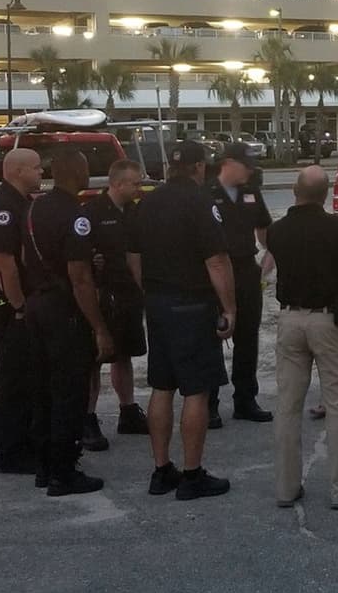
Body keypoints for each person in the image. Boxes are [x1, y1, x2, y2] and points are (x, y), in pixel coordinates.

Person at [128, 140, 237, 501]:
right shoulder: (201, 202)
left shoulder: (147, 201)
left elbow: (133, 255)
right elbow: (217, 260)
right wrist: (229, 308)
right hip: (191, 303)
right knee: (196, 389)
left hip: (157, 302)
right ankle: (192, 474)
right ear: (198, 167)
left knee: (162, 386)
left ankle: (161, 470)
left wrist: (150, 290)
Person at [266, 166, 338, 510]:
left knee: (288, 406)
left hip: (289, 319)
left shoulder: (277, 231)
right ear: (325, 195)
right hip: (327, 320)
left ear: (295, 191)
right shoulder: (336, 229)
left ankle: (285, 487)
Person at [22, 146, 112, 496]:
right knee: (69, 393)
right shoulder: (76, 214)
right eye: (87, 167)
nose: (90, 173)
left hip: (36, 305)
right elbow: (80, 278)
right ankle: (64, 471)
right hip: (64, 311)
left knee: (42, 390)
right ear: (75, 171)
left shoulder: (35, 207)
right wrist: (99, 326)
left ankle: (44, 466)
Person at [0, 147, 41, 475]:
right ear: (17, 171)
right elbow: (4, 264)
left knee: (28, 378)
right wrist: (18, 306)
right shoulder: (3, 208)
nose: (41, 172)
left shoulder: (21, 203)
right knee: (13, 380)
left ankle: (28, 443)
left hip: (22, 306)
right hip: (10, 310)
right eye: (36, 167)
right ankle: (12, 452)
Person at [207, 143, 274, 428]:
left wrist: (267, 262)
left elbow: (264, 232)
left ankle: (245, 399)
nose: (250, 169)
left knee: (248, 337)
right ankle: (208, 403)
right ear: (228, 163)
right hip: (214, 272)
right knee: (211, 337)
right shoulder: (205, 193)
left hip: (246, 269)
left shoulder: (251, 192)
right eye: (245, 163)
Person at [84, 158, 150, 438]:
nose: (139, 188)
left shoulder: (137, 211)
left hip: (130, 294)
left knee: (124, 355)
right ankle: (87, 418)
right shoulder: (92, 212)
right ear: (118, 183)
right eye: (135, 184)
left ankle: (128, 410)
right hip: (103, 294)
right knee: (96, 357)